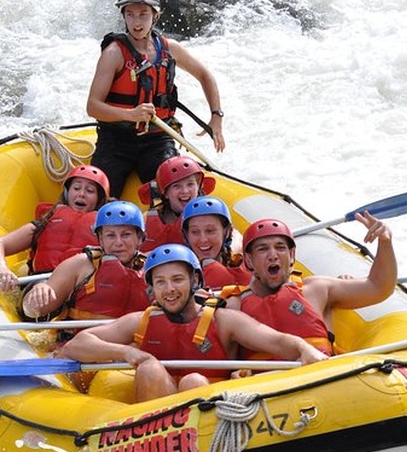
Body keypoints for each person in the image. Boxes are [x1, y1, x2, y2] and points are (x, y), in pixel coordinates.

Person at [60, 244, 328, 402]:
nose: (169, 290)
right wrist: (128, 352)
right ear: (152, 289)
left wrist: (305, 348)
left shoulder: (224, 321)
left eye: (177, 280)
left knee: (193, 382)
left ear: (195, 282)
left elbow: (275, 340)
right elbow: (77, 345)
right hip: (156, 428)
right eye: (161, 282)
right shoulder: (141, 322)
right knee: (150, 369)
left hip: (213, 414)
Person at [86, 0, 225, 198]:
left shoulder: (170, 49)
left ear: (155, 15)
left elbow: (205, 75)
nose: (136, 21)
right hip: (115, 140)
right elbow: (93, 106)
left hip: (157, 139)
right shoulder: (114, 53)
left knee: (179, 195)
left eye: (143, 14)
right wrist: (130, 115)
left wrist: (216, 116)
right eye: (130, 14)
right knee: (99, 198)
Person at [224, 215, 397, 360]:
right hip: (266, 393)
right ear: (248, 260)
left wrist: (385, 242)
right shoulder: (234, 306)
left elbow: (378, 287)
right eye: (262, 249)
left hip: (323, 383)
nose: (273, 255)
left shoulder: (317, 289)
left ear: (292, 255)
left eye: (280, 248)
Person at [0, 165, 110, 292]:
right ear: (67, 193)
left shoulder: (106, 229)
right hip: (39, 284)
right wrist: (2, 268)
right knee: (41, 292)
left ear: (99, 199)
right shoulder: (46, 221)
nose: (81, 194)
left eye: (90, 191)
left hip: (79, 287)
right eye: (76, 188)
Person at [22, 200, 149, 322]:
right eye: (110, 235)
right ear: (100, 240)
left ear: (139, 238)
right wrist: (37, 294)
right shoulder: (80, 265)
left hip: (128, 343)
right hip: (77, 341)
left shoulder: (153, 270)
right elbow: (35, 311)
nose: (118, 243)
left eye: (126, 235)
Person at [138, 156, 211, 252]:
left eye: (190, 184)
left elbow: (234, 235)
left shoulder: (210, 213)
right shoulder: (146, 219)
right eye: (176, 186)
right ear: (166, 193)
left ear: (198, 187)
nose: (185, 191)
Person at [181, 196, 251, 289]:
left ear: (227, 232)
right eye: (195, 232)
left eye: (210, 231)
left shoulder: (246, 268)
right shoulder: (176, 276)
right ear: (187, 235)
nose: (203, 239)